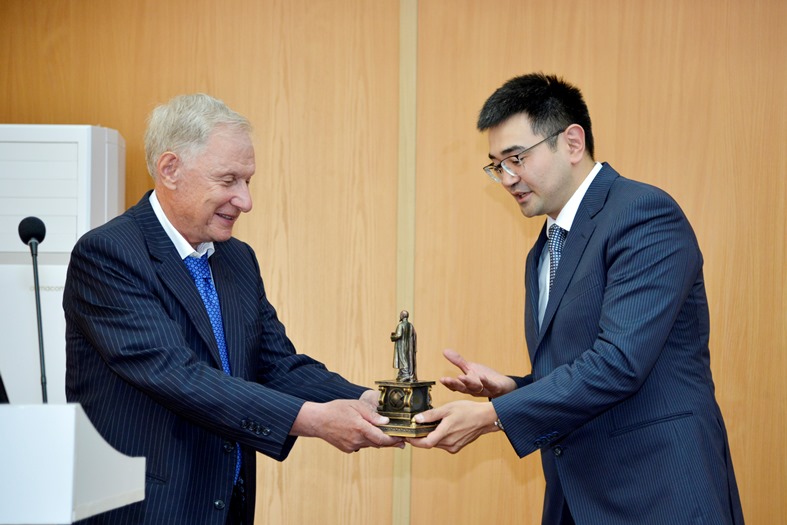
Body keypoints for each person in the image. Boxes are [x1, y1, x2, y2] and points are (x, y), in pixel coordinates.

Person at [409, 73, 744, 524]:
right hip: (577, 499)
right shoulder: (543, 249)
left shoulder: (643, 214)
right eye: (497, 166)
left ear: (571, 142)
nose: (507, 178)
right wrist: (516, 389)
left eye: (516, 159)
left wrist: (494, 416)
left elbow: (618, 363)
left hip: (659, 494)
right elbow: (577, 367)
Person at [64, 93, 402, 524]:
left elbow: (277, 366)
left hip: (226, 506)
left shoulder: (237, 258)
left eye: (248, 181)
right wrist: (313, 419)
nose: (245, 200)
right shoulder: (108, 254)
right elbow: (176, 375)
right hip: (144, 509)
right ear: (170, 169)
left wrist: (372, 402)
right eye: (229, 180)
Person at [391, 310, 417, 381]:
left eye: (400, 315)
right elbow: (414, 336)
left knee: (403, 359)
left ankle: (406, 374)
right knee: (407, 359)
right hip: (409, 346)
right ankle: (402, 373)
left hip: (402, 345)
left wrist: (392, 337)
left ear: (402, 316)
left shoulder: (401, 325)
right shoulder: (410, 325)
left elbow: (398, 335)